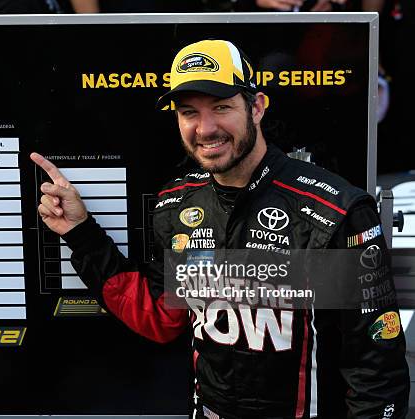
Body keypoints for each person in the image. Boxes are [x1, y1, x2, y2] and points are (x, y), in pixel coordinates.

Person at [31, 39, 409, 418]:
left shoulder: (333, 211)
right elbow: (160, 318)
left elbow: (374, 371)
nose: (205, 128)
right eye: (189, 112)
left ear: (256, 107)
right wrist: (80, 233)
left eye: (222, 107)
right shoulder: (177, 205)